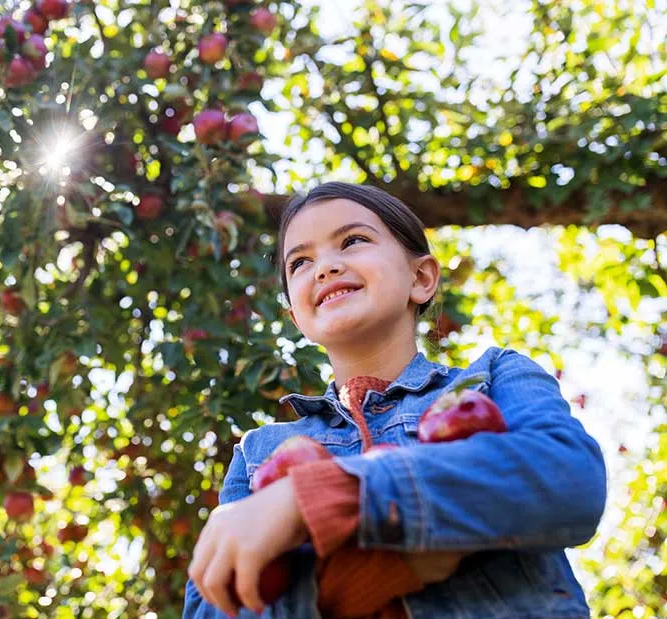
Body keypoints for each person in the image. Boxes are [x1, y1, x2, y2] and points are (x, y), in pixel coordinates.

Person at [182, 182, 607, 619]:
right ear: (296, 317)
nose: (324, 267)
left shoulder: (493, 378)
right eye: (300, 262)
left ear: (421, 278)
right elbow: (212, 605)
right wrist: (357, 581)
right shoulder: (257, 453)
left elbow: (569, 478)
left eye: (354, 240)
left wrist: (327, 494)